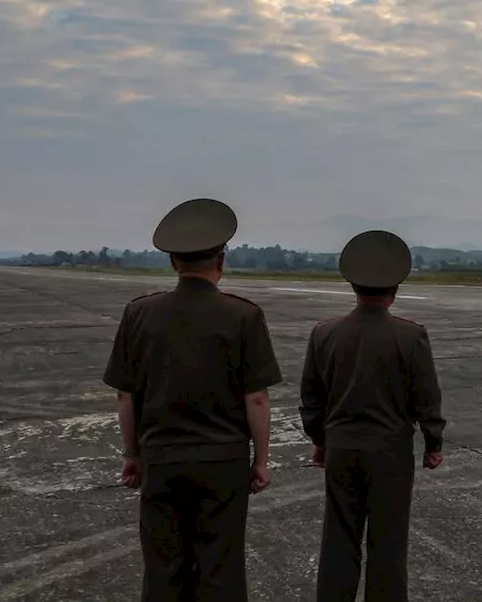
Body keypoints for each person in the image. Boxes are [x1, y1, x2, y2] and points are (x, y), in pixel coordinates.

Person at [102, 197, 283, 602]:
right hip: (223, 462)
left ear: (173, 264)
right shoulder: (243, 316)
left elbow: (124, 394)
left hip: (161, 459)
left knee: (164, 569)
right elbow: (256, 399)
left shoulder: (139, 314)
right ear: (221, 260)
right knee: (221, 568)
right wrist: (261, 461)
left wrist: (132, 453)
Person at [298, 229, 447, 602]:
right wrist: (433, 441)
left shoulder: (325, 334)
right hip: (391, 452)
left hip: (341, 448)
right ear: (395, 288)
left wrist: (320, 440)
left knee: (339, 539)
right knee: (388, 544)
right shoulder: (411, 336)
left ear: (352, 285)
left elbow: (311, 398)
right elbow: (426, 396)